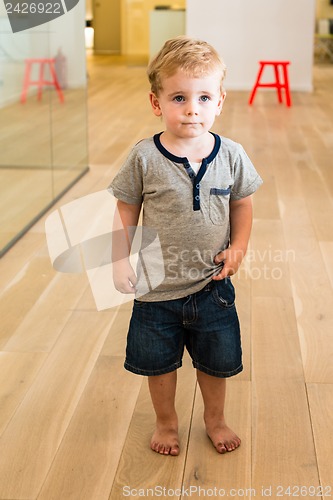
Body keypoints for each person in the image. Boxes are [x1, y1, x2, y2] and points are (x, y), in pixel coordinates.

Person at [108, 36, 262, 456]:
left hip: (214, 286)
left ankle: (215, 419)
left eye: (204, 97)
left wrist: (240, 247)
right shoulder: (144, 157)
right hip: (156, 290)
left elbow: (243, 204)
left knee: (216, 362)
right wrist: (120, 259)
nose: (192, 108)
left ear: (220, 102)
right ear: (156, 103)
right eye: (179, 97)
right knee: (158, 365)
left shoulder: (231, 154)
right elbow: (126, 210)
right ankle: (166, 422)